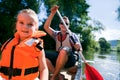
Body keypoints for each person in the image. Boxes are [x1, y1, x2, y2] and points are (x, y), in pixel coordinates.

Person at [0, 9, 48, 80]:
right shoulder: (8, 43)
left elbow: (43, 69)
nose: (25, 27)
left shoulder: (37, 45)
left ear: (36, 28)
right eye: (21, 22)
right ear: (16, 25)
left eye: (30, 24)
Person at [44, 5, 83, 80]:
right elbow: (46, 27)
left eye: (66, 23)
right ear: (59, 25)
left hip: (70, 59)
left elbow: (80, 50)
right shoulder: (56, 34)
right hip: (59, 57)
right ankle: (59, 75)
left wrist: (79, 48)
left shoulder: (73, 36)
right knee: (42, 54)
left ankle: (53, 77)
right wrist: (52, 13)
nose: (64, 25)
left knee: (64, 50)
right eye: (62, 23)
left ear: (68, 26)